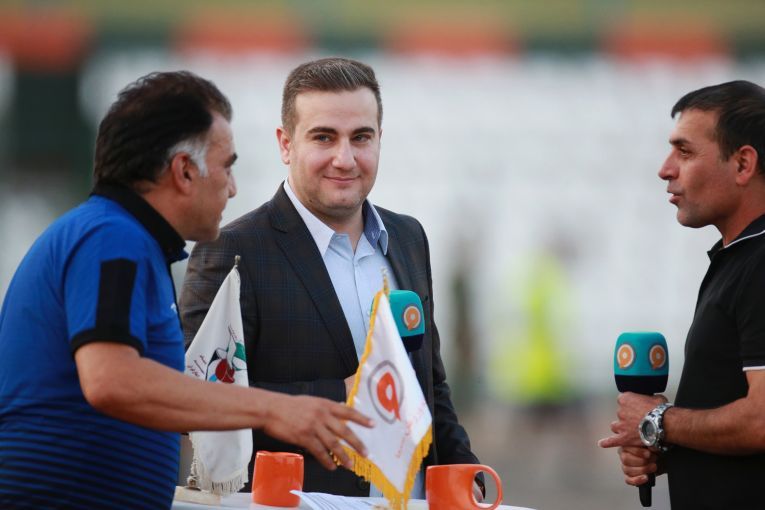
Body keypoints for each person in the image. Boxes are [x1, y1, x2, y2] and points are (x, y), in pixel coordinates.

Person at [0, 71, 372, 510]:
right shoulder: (112, 238)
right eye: (226, 166)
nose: (232, 187)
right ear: (184, 171)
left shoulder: (122, 240)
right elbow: (110, 381)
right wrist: (274, 408)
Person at [180, 57, 483, 498]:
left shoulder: (408, 237)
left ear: (379, 140)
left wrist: (466, 476)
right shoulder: (232, 250)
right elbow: (193, 398)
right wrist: (338, 396)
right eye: (324, 137)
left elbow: (430, 387)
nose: (345, 159)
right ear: (286, 144)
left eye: (361, 137)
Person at [599, 80, 765, 509]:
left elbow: (762, 419)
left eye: (685, 152)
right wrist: (667, 445)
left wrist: (658, 420)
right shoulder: (737, 258)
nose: (665, 169)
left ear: (743, 164)